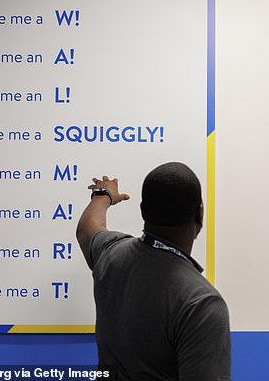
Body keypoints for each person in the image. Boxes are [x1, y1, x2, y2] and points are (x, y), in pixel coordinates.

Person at [76, 162, 231, 381]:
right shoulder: (200, 303)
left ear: (143, 210)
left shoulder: (111, 253)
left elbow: (86, 229)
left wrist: (103, 195)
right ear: (199, 214)